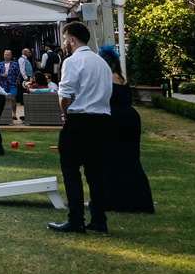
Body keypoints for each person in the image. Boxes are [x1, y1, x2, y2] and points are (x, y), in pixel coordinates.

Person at [49, 22, 113, 234]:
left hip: (79, 120)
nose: (64, 43)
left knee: (71, 170)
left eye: (65, 38)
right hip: (102, 121)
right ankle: (99, 220)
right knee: (96, 172)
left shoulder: (73, 60)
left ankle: (75, 219)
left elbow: (64, 94)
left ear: (72, 40)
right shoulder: (102, 63)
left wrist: (65, 114)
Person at [97, 48, 154, 214]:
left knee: (110, 160)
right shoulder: (122, 78)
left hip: (114, 119)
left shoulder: (106, 78)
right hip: (130, 118)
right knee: (131, 160)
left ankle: (112, 199)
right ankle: (139, 200)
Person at [0, 50, 23, 123]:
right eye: (5, 54)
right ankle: (5, 115)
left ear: (10, 56)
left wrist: (16, 82)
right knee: (4, 99)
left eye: (8, 55)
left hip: (13, 83)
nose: (6, 56)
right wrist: (2, 75)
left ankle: (14, 114)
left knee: (13, 99)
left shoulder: (15, 64)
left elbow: (18, 74)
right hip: (4, 83)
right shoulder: (0, 64)